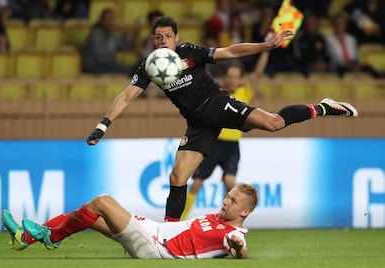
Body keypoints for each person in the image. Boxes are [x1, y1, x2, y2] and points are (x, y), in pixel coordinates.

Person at [86, 16, 358, 222]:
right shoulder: (149, 67)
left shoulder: (190, 53)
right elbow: (126, 96)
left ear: (176, 38)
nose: (163, 41)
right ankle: (168, 235)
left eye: (167, 36)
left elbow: (230, 51)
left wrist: (266, 45)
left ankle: (324, 107)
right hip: (198, 123)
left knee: (274, 123)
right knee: (178, 177)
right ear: (153, 40)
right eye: (158, 37)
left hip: (218, 105)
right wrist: (102, 125)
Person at [2, 183, 258, 259]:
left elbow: (240, 252)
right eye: (227, 196)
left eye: (233, 202)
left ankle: (52, 237)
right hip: (153, 230)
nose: (226, 202)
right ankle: (24, 239)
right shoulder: (216, 218)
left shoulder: (233, 234)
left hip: (157, 249)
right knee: (85, 215)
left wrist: (237, 247)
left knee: (102, 201)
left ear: (245, 213)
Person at [181, 40, 270, 221]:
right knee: (196, 183)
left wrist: (266, 50)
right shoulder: (217, 92)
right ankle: (179, 222)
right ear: (225, 77)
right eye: (229, 76)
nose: (232, 79)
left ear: (239, 79)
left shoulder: (245, 92)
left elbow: (258, 73)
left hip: (231, 146)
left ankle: (228, 220)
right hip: (213, 143)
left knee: (230, 183)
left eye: (235, 76)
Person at [81, 8, 132, 75]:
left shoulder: (111, 34)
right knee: (127, 72)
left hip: (107, 65)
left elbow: (125, 47)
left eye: (112, 20)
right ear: (101, 21)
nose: (110, 22)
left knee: (132, 71)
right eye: (108, 20)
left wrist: (125, 32)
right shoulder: (96, 33)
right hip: (94, 66)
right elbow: (101, 58)